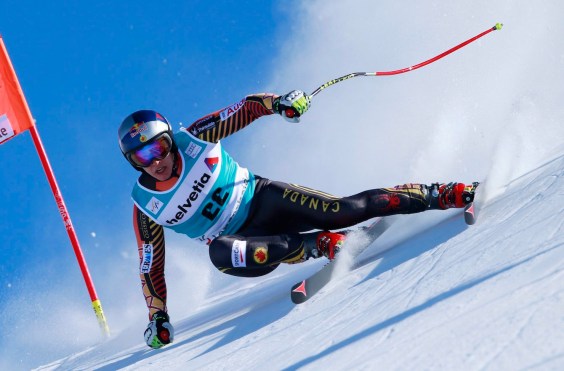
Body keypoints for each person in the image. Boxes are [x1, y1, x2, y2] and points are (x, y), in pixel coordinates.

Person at [117, 90, 477, 349]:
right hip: (247, 243)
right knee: (219, 255)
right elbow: (150, 267)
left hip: (265, 199)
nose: (155, 161)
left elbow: (246, 108)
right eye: (141, 157)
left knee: (344, 210)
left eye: (159, 147)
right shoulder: (147, 206)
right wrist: (158, 318)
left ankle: (441, 193)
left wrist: (281, 104)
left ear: (169, 140)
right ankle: (316, 245)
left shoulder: (195, 138)